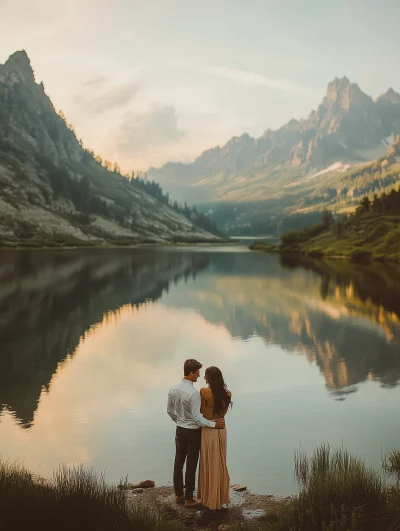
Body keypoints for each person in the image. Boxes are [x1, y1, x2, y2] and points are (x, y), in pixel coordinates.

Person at [167, 359, 225, 508]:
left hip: (179, 429)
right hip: (193, 432)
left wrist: (179, 421)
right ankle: (189, 499)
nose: (199, 376)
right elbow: (197, 418)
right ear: (191, 373)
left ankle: (178, 495)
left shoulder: (173, 388)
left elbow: (170, 411)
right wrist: (214, 424)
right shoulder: (193, 393)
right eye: (198, 373)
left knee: (178, 462)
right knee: (191, 465)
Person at [197, 366, 232, 510]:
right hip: (222, 430)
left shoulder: (204, 392)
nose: (204, 378)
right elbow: (223, 414)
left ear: (209, 378)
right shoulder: (228, 393)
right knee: (220, 462)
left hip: (209, 430)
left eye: (205, 376)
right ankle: (220, 496)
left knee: (209, 463)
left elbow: (200, 413)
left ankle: (209, 498)